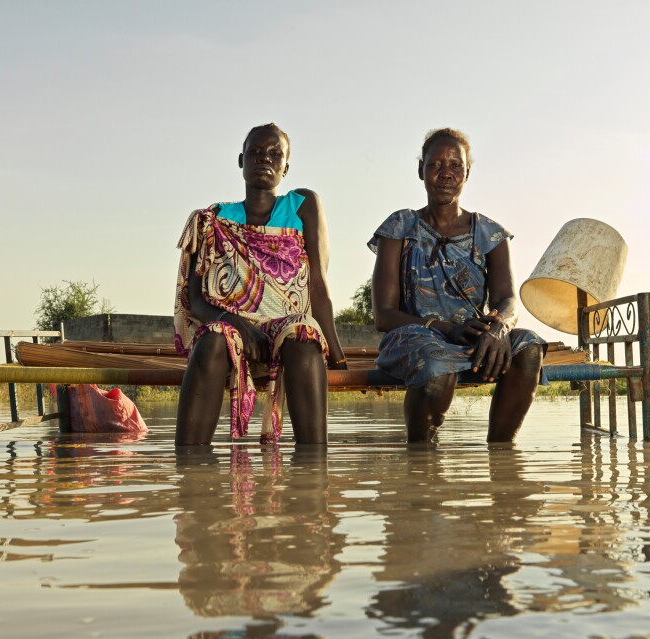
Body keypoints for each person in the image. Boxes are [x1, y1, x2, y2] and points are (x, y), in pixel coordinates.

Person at [174, 123, 347, 445]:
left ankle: (312, 469)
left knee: (304, 335)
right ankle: (191, 473)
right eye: (255, 152)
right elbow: (196, 300)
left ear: (286, 167)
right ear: (241, 161)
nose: (264, 159)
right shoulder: (214, 218)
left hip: (287, 322)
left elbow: (318, 284)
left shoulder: (302, 205)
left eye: (274, 154)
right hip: (231, 325)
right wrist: (236, 322)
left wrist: (338, 358)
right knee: (212, 339)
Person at [369, 128, 545, 443]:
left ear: (467, 173)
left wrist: (498, 328)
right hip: (415, 336)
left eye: (455, 165)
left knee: (528, 347)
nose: (446, 173)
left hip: (473, 339)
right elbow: (384, 315)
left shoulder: (490, 234)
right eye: (435, 165)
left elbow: (507, 299)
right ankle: (422, 458)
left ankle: (502, 460)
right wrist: (445, 327)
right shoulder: (399, 227)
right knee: (438, 364)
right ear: (420, 170)